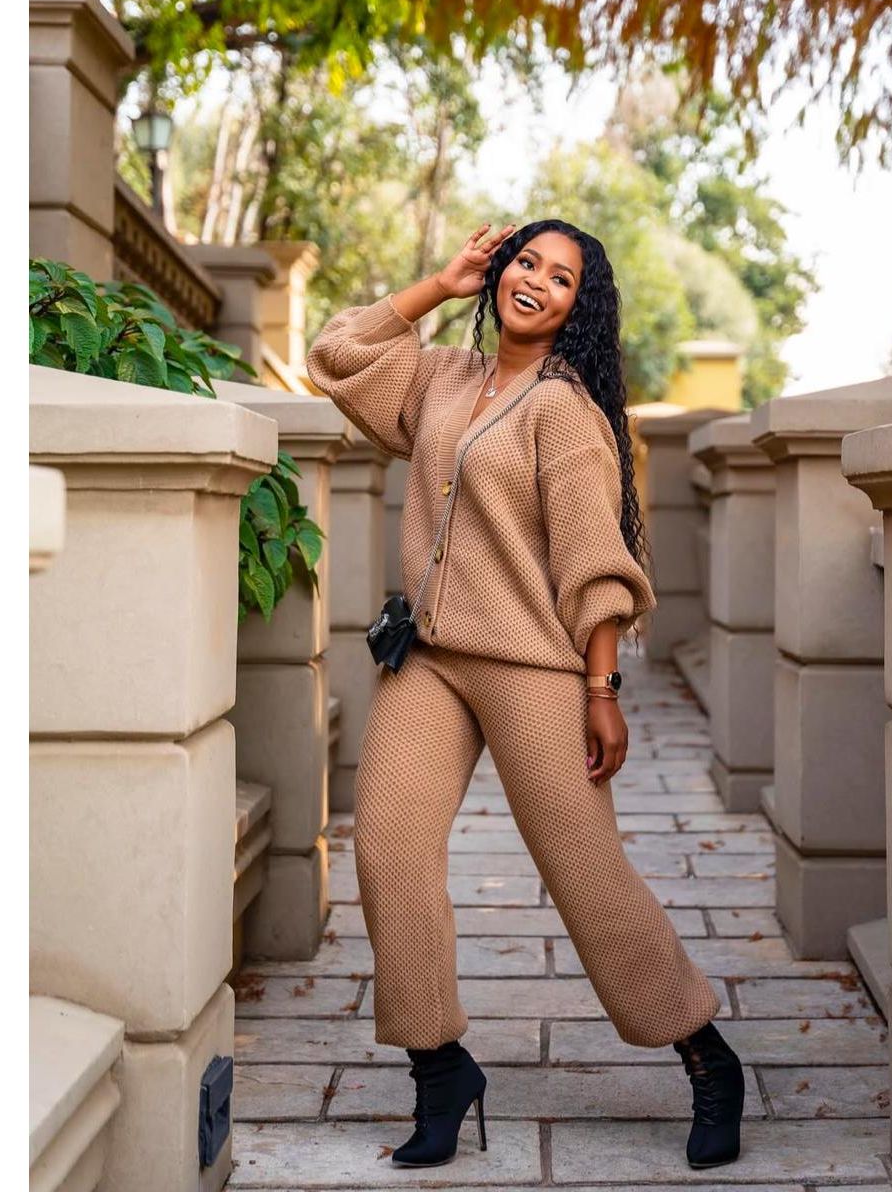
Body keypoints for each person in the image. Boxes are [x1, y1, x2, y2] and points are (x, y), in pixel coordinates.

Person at [305, 219, 745, 1170]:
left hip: (533, 667)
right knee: (387, 850)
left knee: (587, 874)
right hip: (429, 659)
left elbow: (594, 561)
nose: (536, 281)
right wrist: (440, 283)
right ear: (500, 272)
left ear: (578, 306)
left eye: (562, 277)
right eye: (526, 263)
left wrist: (602, 687)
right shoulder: (440, 380)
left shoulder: (566, 412)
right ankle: (439, 1069)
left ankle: (706, 1055)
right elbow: (336, 354)